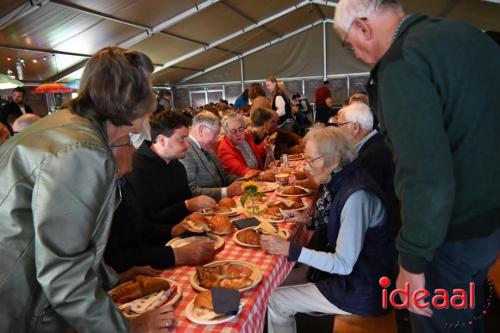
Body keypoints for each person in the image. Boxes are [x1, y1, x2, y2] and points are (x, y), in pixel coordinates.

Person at [335, 1, 500, 331]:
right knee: (469, 315)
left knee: (443, 323)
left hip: (447, 235)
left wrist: (411, 260)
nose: (355, 53)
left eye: (349, 44)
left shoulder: (401, 64)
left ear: (363, 28)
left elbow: (424, 175)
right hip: (489, 226)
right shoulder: (469, 35)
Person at [0, 46, 176, 333]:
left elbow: (73, 245)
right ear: (132, 98)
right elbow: (63, 273)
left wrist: (113, 279)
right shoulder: (83, 149)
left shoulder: (70, 128)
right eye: (149, 90)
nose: (153, 101)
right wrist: (128, 328)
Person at [261, 126, 395, 333]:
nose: (307, 166)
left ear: (333, 160)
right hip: (360, 277)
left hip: (364, 289)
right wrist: (306, 219)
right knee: (276, 282)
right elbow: (340, 224)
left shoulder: (356, 196)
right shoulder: (347, 178)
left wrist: (290, 250)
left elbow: (343, 264)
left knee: (276, 299)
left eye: (311, 159)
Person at [105, 134, 215, 273]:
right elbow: (113, 258)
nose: (134, 151)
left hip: (157, 254)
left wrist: (172, 231)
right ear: (105, 152)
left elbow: (141, 227)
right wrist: (177, 255)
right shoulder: (104, 197)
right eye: (129, 145)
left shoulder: (121, 184)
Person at [119, 110, 216, 230]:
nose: (187, 145)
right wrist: (186, 205)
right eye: (182, 139)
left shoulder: (178, 167)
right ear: (162, 140)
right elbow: (145, 221)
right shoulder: (135, 169)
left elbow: (186, 207)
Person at [336, 102, 398, 230]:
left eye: (340, 125)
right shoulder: (371, 144)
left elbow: (360, 197)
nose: (338, 131)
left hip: (377, 229)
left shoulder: (374, 153)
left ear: (355, 127)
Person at [180, 111, 243, 200]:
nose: (218, 138)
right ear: (202, 130)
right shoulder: (185, 151)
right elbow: (191, 191)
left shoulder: (207, 146)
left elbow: (222, 175)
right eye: (216, 133)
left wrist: (243, 180)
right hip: (204, 209)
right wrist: (226, 192)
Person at [217, 112, 266, 177]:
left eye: (240, 129)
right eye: (233, 131)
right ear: (226, 133)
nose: (238, 134)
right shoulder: (224, 150)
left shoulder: (247, 137)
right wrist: (263, 174)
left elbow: (254, 154)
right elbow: (242, 171)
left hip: (258, 178)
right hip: (243, 183)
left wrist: (265, 144)